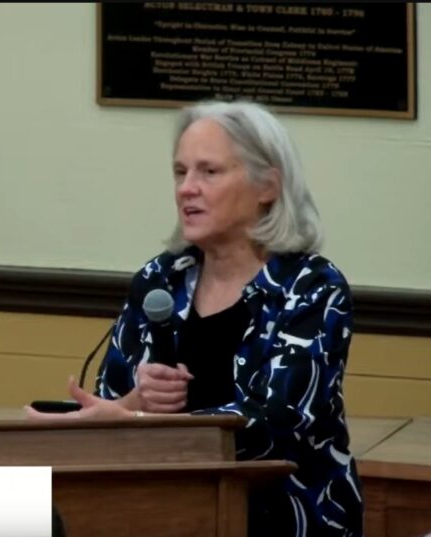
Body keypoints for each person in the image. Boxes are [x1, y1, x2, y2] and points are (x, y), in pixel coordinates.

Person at [27, 101, 363, 536]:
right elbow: (114, 402)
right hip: (153, 510)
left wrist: (138, 423)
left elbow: (274, 426)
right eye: (180, 172)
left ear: (268, 186)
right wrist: (130, 407)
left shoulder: (312, 287)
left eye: (209, 172)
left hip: (280, 515)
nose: (187, 188)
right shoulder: (160, 279)